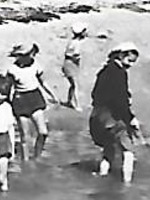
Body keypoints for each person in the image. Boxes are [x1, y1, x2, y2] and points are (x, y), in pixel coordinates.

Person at [89, 40, 141, 184]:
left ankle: (103, 177)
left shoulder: (103, 71)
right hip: (112, 118)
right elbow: (120, 100)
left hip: (97, 117)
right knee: (128, 151)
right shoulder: (119, 74)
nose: (130, 65)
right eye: (129, 60)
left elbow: (94, 95)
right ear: (120, 56)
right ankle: (127, 184)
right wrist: (130, 118)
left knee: (108, 149)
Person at [7, 42, 60, 161]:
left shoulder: (36, 65)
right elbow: (8, 88)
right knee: (25, 137)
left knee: (43, 132)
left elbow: (43, 82)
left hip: (35, 97)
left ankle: (37, 157)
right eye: (26, 55)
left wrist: (52, 95)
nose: (31, 56)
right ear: (19, 56)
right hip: (20, 99)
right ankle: (25, 162)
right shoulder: (12, 70)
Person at [60, 22, 89, 108]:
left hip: (69, 64)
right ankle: (77, 105)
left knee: (73, 85)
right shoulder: (76, 43)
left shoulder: (73, 42)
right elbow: (74, 55)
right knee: (75, 85)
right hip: (71, 65)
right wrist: (78, 58)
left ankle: (69, 101)